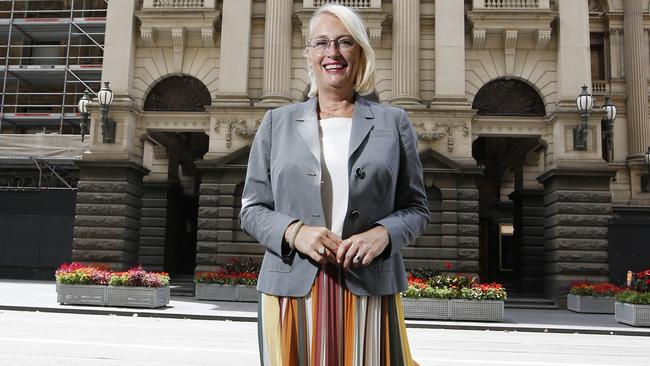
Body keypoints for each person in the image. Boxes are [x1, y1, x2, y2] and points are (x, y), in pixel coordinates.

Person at [239, 4, 430, 365]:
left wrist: (383, 235)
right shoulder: (276, 123)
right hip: (290, 290)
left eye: (345, 42)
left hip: (371, 285)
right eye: (322, 42)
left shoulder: (395, 122)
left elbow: (417, 209)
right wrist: (294, 232)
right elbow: (252, 210)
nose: (333, 52)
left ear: (360, 51)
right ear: (309, 53)